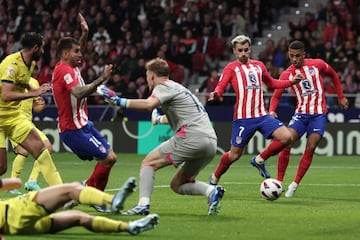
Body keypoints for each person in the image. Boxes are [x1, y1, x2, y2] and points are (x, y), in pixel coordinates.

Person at [97, 57, 225, 216]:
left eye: (147, 76)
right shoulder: (179, 88)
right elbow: (182, 116)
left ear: (151, 75)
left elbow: (148, 105)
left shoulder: (162, 86)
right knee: (178, 184)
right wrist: (158, 119)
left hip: (192, 136)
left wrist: (118, 100)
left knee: (148, 164)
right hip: (210, 142)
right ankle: (211, 191)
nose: (147, 81)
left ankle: (143, 205)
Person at [206, 34, 303, 185]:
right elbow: (222, 84)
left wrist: (290, 82)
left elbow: (272, 83)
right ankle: (215, 177)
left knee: (287, 137)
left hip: (262, 116)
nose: (243, 53)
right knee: (234, 155)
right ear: (234, 51)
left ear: (250, 49)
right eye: (240, 50)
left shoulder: (259, 65)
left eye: (246, 50)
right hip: (243, 118)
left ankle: (259, 159)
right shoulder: (231, 68)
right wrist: (216, 92)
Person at [269, 40, 349, 197]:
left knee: (311, 146)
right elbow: (276, 94)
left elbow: (333, 74)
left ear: (304, 55)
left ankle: (295, 184)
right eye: (291, 56)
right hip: (300, 114)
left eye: (297, 56)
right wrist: (271, 110)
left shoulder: (317, 64)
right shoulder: (287, 74)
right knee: (286, 142)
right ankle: (279, 181)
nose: (294, 59)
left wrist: (341, 96)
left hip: (318, 114)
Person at [52, 13, 116, 211]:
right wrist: (101, 79)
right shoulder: (64, 71)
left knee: (110, 156)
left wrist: (85, 33)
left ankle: (94, 197)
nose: (81, 54)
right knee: (107, 158)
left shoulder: (71, 66)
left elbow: (79, 49)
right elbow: (78, 93)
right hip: (73, 130)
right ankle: (86, 191)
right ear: (65, 54)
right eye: (76, 52)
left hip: (84, 125)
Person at [0, 32, 62, 189]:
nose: (43, 52)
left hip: (14, 117)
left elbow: (24, 81)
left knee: (43, 151)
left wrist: (32, 89)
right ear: (35, 47)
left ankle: (62, 194)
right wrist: (35, 93)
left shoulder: (31, 64)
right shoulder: (11, 65)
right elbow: (6, 95)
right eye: (42, 48)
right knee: (1, 167)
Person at [0, 177, 159, 235]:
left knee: (78, 217)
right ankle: (112, 201)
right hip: (14, 211)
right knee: (71, 189)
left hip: (19, 228)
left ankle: (128, 227)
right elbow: (16, 182)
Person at [8, 77, 59, 194]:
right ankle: (12, 184)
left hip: (28, 124)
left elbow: (36, 107)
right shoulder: (10, 80)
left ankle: (32, 181)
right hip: (14, 122)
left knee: (47, 147)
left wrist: (40, 104)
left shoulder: (34, 82)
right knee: (23, 152)